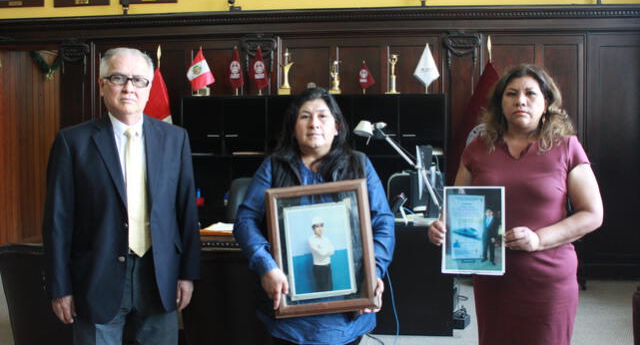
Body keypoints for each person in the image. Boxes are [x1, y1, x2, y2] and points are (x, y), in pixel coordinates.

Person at [428, 64, 603, 345]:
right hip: (492, 279)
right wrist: (442, 226)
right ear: (501, 103)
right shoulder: (477, 148)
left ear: (546, 103)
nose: (520, 100)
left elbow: (592, 214)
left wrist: (538, 239)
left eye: (530, 94)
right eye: (511, 94)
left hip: (548, 279)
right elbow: (458, 206)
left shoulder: (567, 146)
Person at [42, 47, 201, 344]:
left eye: (139, 80)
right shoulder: (72, 142)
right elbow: (57, 221)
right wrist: (59, 286)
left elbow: (185, 212)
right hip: (95, 274)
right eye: (118, 78)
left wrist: (187, 274)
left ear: (149, 87)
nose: (129, 88)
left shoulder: (175, 139)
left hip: (159, 274)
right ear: (102, 85)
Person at [233, 87, 395, 345]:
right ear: (293, 128)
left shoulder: (359, 164)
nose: (314, 123)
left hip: (348, 306)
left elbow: (383, 222)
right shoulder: (274, 166)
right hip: (289, 306)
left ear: (337, 127)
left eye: (322, 116)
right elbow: (245, 220)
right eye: (305, 116)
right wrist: (266, 265)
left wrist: (373, 270)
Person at [308, 216, 335, 292]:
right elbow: (322, 253)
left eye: (321, 226)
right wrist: (326, 250)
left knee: (330, 289)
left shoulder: (326, 238)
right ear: (313, 229)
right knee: (321, 291)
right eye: (317, 226)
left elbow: (332, 251)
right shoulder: (311, 240)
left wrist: (323, 249)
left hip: (328, 267)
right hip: (319, 268)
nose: (320, 228)